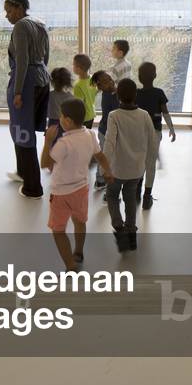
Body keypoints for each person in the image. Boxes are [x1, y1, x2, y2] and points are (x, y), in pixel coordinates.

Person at [41, 97, 112, 269]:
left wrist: (48, 141)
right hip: (81, 189)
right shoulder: (90, 134)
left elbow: (45, 163)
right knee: (80, 221)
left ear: (68, 121)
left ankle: (71, 266)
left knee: (58, 231)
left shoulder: (63, 143)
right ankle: (78, 252)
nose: (59, 119)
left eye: (61, 116)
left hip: (61, 193)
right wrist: (108, 171)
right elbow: (100, 155)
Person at [3, 0, 50, 199]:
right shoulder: (40, 23)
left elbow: (21, 61)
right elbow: (46, 56)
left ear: (19, 8)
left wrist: (19, 91)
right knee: (25, 131)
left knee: (23, 132)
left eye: (9, 10)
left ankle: (33, 187)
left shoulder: (21, 26)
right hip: (42, 79)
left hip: (26, 82)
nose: (7, 15)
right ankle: (22, 172)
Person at [102, 77, 156, 250]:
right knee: (130, 199)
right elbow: (152, 141)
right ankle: (131, 234)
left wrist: (105, 166)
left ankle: (119, 228)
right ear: (135, 96)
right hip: (137, 170)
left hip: (117, 170)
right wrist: (149, 163)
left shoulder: (114, 116)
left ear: (117, 95)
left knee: (111, 196)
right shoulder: (144, 115)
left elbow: (109, 142)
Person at [135, 61, 176, 210]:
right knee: (150, 164)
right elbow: (165, 112)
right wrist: (171, 128)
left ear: (139, 77)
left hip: (138, 133)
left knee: (139, 162)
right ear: (155, 76)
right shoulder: (159, 93)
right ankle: (147, 196)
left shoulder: (136, 94)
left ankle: (136, 191)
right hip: (155, 132)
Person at [91, 70, 118, 190]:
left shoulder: (112, 93)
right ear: (100, 86)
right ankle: (101, 181)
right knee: (105, 157)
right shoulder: (108, 97)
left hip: (108, 131)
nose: (111, 82)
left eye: (110, 78)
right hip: (105, 132)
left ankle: (100, 180)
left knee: (105, 156)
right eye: (106, 82)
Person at [46, 67, 73, 144]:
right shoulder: (70, 96)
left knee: (52, 145)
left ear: (52, 82)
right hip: (66, 124)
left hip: (52, 123)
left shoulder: (49, 95)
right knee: (66, 144)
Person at [72, 53, 96, 129]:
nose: (72, 67)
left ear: (79, 69)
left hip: (83, 117)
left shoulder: (78, 85)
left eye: (74, 65)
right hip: (91, 114)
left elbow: (78, 105)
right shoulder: (92, 79)